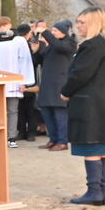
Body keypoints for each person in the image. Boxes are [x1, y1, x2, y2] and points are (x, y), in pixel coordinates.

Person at [61, 7, 105, 205]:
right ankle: (99, 191)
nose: (78, 26)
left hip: (91, 104)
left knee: (91, 148)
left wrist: (66, 91)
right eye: (78, 21)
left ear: (92, 23)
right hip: (103, 104)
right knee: (101, 149)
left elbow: (80, 73)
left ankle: (95, 191)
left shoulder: (93, 45)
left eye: (82, 22)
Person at [0, 17, 35, 148]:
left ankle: (11, 137)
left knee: (12, 110)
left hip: (14, 82)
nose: (2, 29)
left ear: (10, 25)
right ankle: (0, 135)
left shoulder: (19, 42)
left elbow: (25, 61)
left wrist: (25, 81)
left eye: (4, 26)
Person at [36, 20, 76, 151]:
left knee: (60, 114)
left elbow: (59, 46)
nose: (53, 33)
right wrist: (36, 50)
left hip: (60, 84)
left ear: (64, 32)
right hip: (47, 83)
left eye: (55, 31)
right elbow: (41, 60)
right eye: (52, 30)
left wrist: (46, 32)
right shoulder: (51, 45)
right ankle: (53, 139)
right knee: (47, 113)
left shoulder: (69, 43)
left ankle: (62, 141)